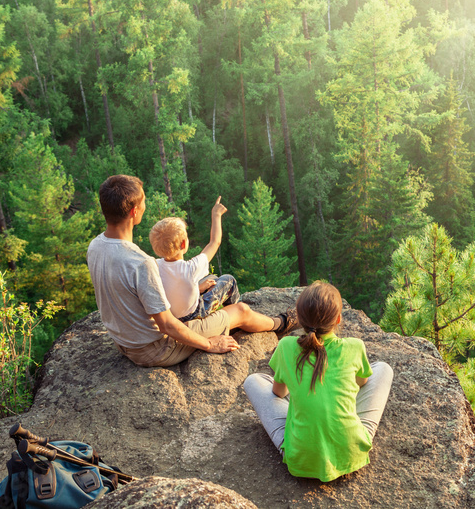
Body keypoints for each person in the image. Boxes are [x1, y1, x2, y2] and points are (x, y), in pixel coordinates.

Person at [87, 175, 296, 367]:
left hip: (124, 342)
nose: (144, 207)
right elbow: (167, 326)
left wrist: (195, 287)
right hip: (157, 349)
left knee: (209, 286)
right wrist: (208, 344)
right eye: (143, 203)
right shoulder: (141, 263)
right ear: (134, 212)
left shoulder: (95, 246)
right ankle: (282, 323)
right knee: (241, 311)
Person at [243, 281, 393, 482]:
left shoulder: (286, 346)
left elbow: (279, 393)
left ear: (300, 319)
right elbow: (363, 382)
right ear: (338, 319)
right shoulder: (354, 347)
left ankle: (299, 432)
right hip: (351, 451)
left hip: (301, 457)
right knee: (383, 368)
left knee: (254, 381)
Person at [149, 197, 240, 323]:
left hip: (171, 317)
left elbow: (173, 286)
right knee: (228, 280)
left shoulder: (154, 266)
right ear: (183, 244)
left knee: (211, 279)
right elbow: (215, 242)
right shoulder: (191, 268)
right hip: (194, 314)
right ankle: (237, 316)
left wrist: (197, 288)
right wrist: (216, 214)